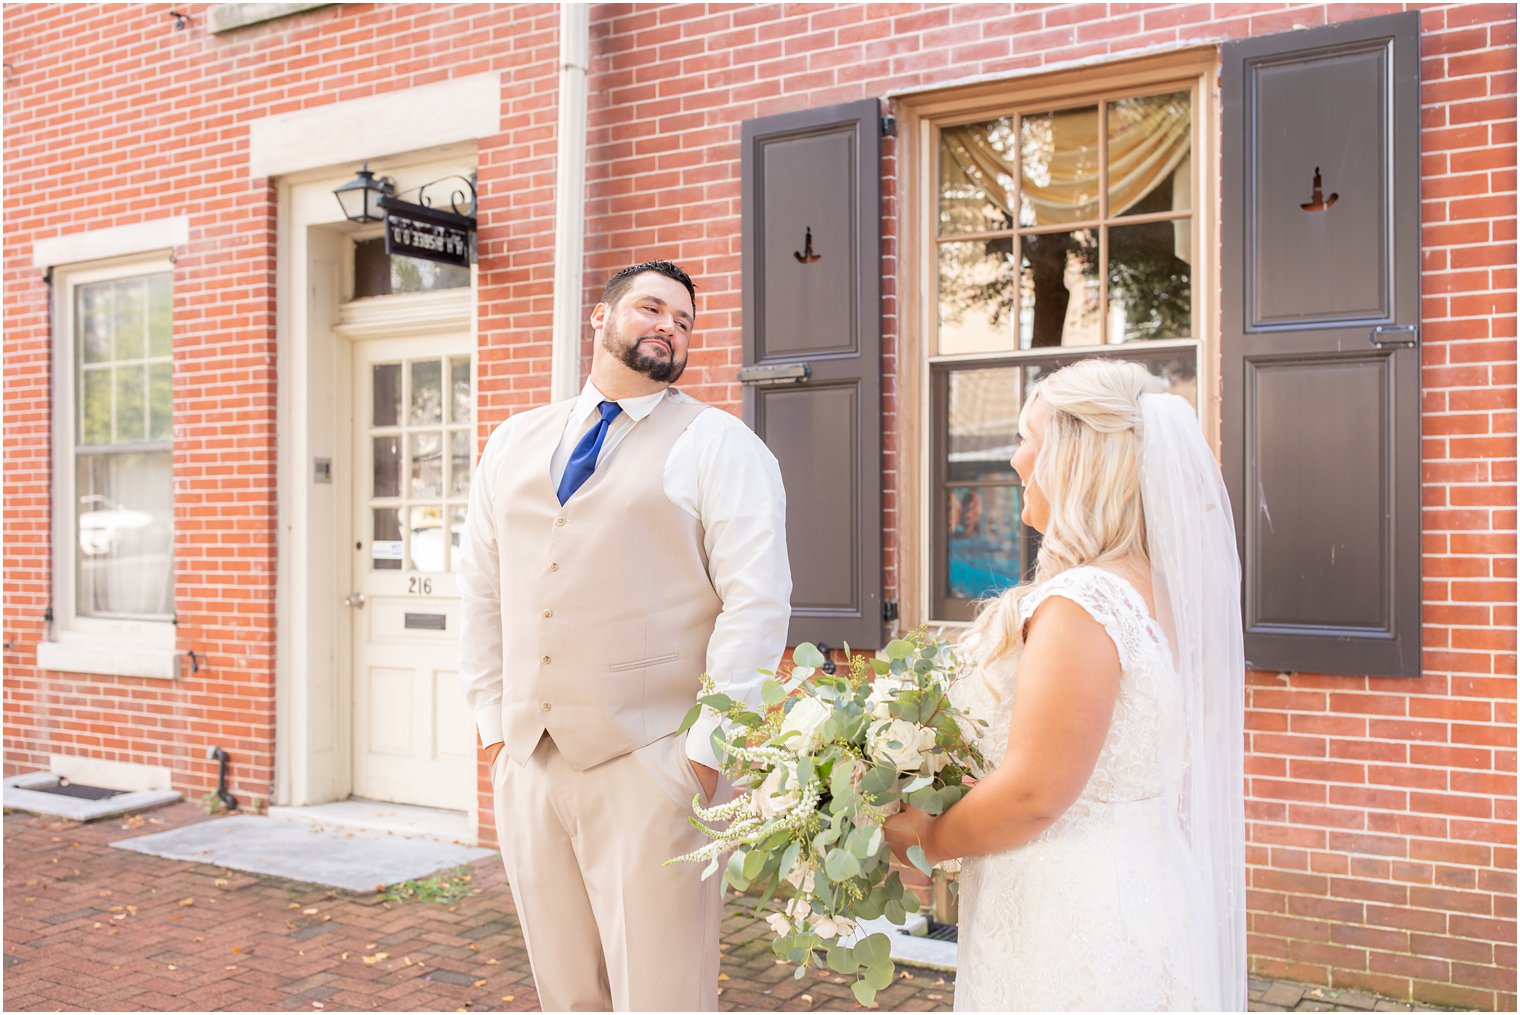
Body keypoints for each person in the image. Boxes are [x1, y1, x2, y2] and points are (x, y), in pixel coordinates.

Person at [458, 260, 791, 1011]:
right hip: (531, 759)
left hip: (654, 762)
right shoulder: (514, 440)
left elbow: (758, 602)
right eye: (651, 308)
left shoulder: (718, 443)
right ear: (600, 319)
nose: (668, 327)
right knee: (567, 991)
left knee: (661, 994)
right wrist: (491, 724)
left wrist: (703, 756)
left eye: (683, 321)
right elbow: (480, 589)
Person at [885, 358, 1246, 1011]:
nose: (1016, 458)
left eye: (1028, 436)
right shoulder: (1162, 591)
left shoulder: (1085, 600)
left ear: (1073, 455)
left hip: (1074, 916)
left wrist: (921, 837)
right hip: (1147, 886)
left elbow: (1033, 792)